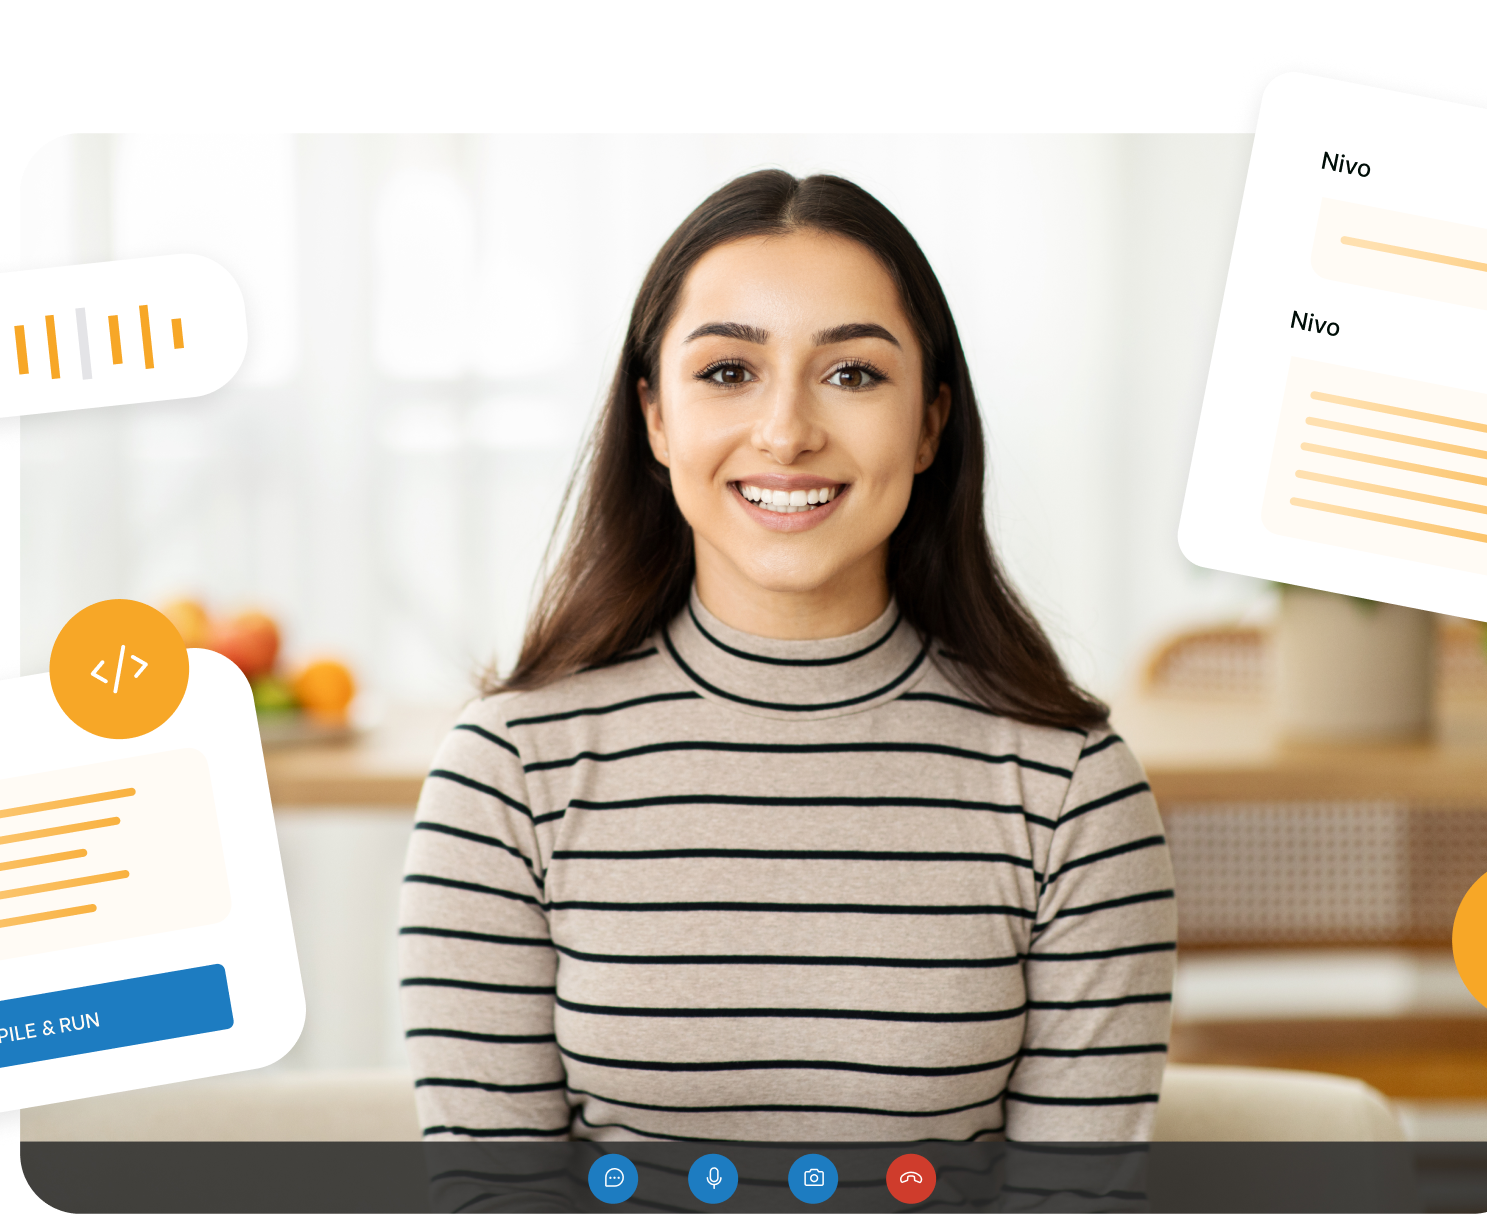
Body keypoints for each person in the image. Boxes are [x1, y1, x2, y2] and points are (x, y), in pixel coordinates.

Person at [399, 169, 1174, 1143]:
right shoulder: (505, 772)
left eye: (853, 373)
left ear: (930, 421)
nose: (787, 431)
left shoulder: (1072, 791)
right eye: (728, 371)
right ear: (654, 416)